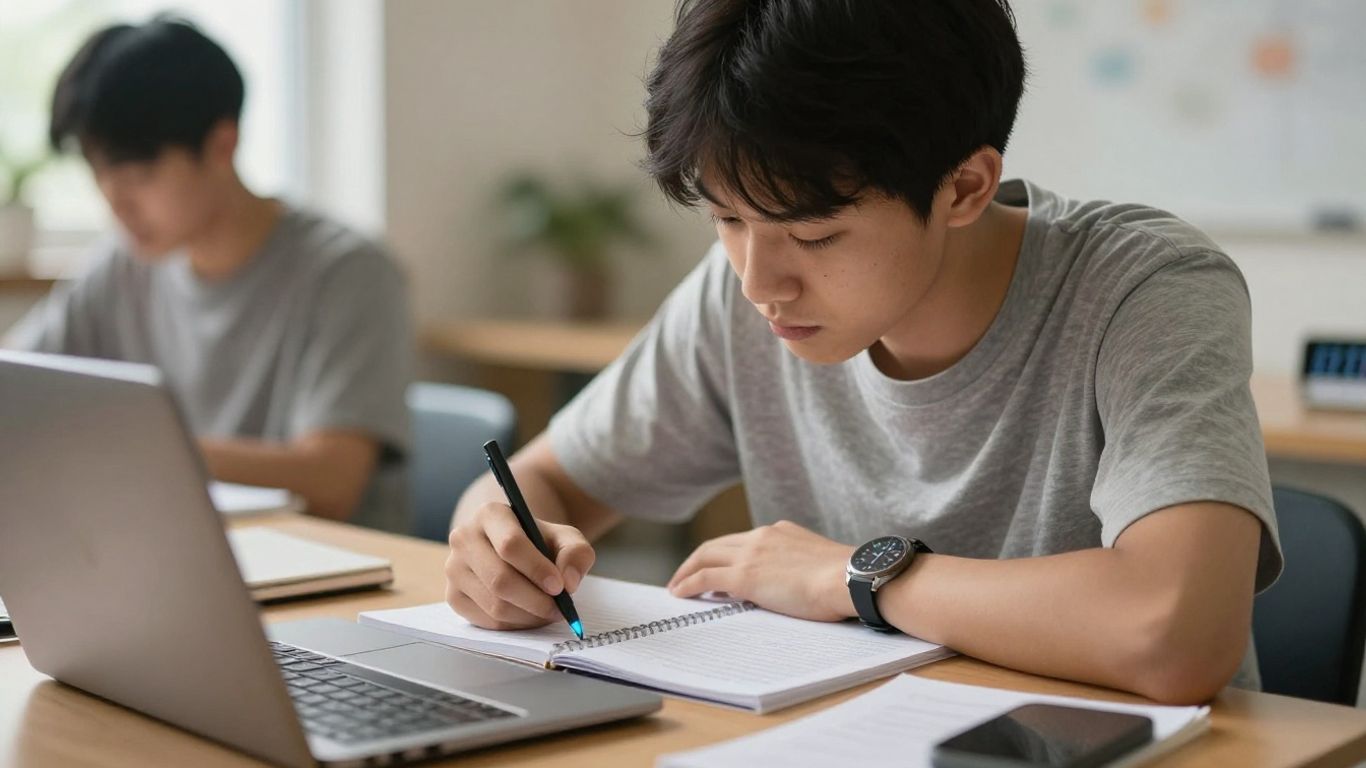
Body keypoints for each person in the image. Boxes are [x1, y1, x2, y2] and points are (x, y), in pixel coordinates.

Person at [443, 0, 1282, 704]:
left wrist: (857, 577)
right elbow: (541, 482)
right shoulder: (740, 292)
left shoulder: (1148, 291)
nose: (759, 282)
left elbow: (1177, 631)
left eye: (814, 233)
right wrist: (495, 544)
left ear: (964, 188)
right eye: (727, 219)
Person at [5, 18, 413, 531]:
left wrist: (134, 445)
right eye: (99, 173)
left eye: (140, 175)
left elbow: (331, 481)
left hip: (338, 573)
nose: (115, 202)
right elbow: (12, 386)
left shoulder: (349, 273)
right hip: (175, 549)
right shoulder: (121, 267)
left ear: (222, 144)